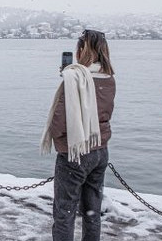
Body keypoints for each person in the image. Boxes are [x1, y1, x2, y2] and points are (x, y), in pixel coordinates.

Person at [41, 29, 116, 241]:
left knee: (64, 212)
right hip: (100, 150)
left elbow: (60, 121)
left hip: (75, 153)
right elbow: (103, 111)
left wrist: (58, 139)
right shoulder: (109, 78)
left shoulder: (74, 78)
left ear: (83, 49)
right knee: (92, 212)